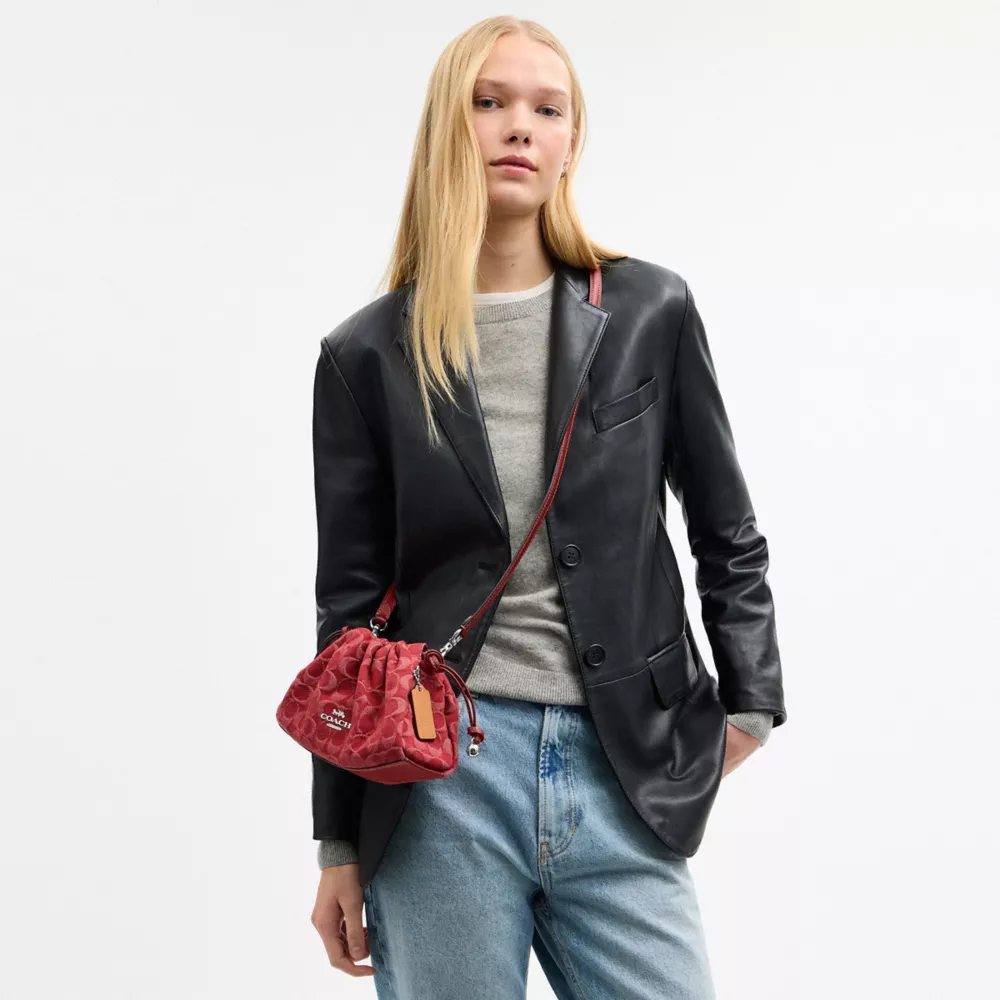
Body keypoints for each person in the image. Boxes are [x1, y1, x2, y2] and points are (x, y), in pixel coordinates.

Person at [305, 15, 787, 999]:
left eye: (547, 108)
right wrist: (336, 841)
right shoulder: (365, 355)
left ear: (573, 142)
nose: (519, 125)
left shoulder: (648, 310)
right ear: (447, 128)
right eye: (489, 102)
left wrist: (751, 699)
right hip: (441, 778)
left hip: (624, 765)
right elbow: (346, 616)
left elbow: (725, 525)